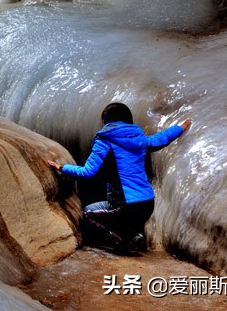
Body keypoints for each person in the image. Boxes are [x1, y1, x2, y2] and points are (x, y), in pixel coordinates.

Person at [47, 102, 192, 253]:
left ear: (106, 120)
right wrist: (180, 127)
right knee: (118, 211)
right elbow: (161, 139)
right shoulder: (140, 138)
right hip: (147, 205)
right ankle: (133, 234)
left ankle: (124, 239)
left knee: (88, 214)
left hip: (125, 206)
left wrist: (63, 168)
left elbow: (87, 172)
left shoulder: (104, 140)